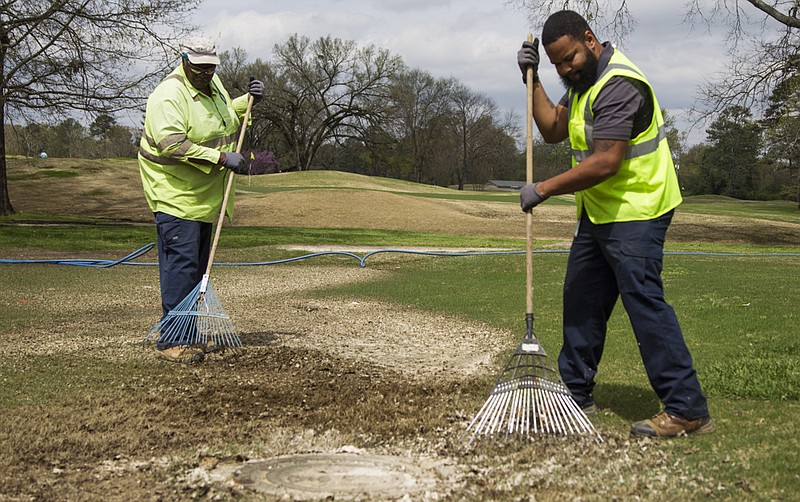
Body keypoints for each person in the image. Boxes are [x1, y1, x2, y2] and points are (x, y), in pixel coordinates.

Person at [516, 10, 713, 438]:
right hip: (600, 211)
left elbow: (607, 161)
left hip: (639, 207)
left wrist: (544, 189)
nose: (565, 68)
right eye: (557, 64)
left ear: (589, 39)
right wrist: (532, 80)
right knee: (582, 298)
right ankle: (574, 392)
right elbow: (551, 129)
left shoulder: (620, 84)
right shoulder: (582, 84)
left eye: (569, 59)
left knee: (643, 302)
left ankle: (686, 408)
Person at [138, 36, 265, 363]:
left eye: (210, 67)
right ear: (184, 60)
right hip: (175, 195)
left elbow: (222, 118)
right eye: (199, 68)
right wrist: (222, 158)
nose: (205, 73)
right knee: (181, 269)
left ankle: (187, 334)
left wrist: (245, 101)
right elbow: (172, 145)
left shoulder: (213, 83)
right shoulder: (169, 96)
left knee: (195, 272)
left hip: (203, 198)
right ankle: (173, 342)